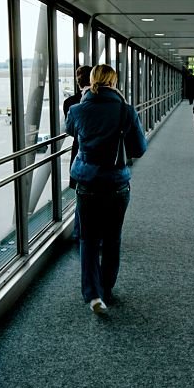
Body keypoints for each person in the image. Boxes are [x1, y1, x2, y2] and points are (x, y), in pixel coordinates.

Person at [64, 64, 147, 314]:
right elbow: (139, 149)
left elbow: (70, 131)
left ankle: (93, 295)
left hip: (87, 184)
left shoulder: (77, 110)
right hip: (117, 184)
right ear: (114, 82)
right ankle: (107, 289)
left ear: (91, 81)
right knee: (112, 239)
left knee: (88, 240)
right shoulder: (126, 111)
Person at [62, 65, 91, 242]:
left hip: (79, 153)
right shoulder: (117, 104)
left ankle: (79, 232)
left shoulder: (70, 104)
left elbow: (71, 130)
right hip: (105, 159)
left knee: (81, 196)